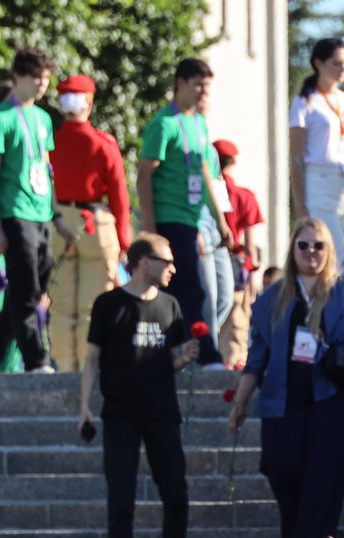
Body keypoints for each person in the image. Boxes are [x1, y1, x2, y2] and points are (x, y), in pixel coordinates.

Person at [229, 218, 344, 538]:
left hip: (335, 395)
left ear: (329, 250)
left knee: (324, 475)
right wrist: (240, 403)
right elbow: (257, 356)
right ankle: (296, 532)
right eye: (304, 245)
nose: (311, 251)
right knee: (279, 465)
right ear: (292, 250)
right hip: (284, 397)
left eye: (318, 245)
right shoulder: (273, 297)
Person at [78, 232, 201, 538]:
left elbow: (169, 361)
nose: (173, 268)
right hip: (120, 414)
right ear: (144, 262)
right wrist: (84, 405)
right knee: (121, 495)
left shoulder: (170, 305)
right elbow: (92, 359)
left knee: (176, 490)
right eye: (166, 261)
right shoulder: (108, 304)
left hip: (162, 412)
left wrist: (184, 357)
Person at [0, 47, 68, 375]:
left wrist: (56, 214)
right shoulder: (0, 119)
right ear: (18, 77)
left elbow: (46, 169)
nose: (42, 84)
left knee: (32, 287)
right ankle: (36, 360)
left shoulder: (43, 118)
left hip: (40, 212)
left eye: (45, 78)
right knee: (25, 290)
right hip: (15, 213)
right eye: (35, 77)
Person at [140, 59, 232, 369]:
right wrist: (151, 230)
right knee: (189, 288)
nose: (204, 92)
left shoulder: (198, 123)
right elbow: (144, 176)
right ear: (180, 83)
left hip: (194, 220)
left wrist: (220, 220)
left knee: (193, 290)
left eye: (207, 86)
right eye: (198, 85)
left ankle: (183, 352)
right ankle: (203, 354)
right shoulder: (164, 124)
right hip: (170, 218)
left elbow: (205, 172)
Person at [49, 74, 131, 373]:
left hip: (58, 223)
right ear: (90, 101)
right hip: (94, 224)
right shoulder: (103, 143)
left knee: (61, 305)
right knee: (93, 305)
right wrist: (124, 240)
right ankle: (89, 368)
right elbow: (119, 194)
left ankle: (65, 366)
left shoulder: (51, 141)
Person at [289, 38, 344, 256]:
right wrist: (301, 206)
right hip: (318, 183)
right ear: (318, 63)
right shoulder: (305, 101)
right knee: (331, 250)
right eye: (336, 63)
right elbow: (296, 157)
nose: (343, 69)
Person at [215, 141, 264, 368]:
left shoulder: (207, 193)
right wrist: (253, 277)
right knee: (236, 320)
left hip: (209, 258)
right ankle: (233, 363)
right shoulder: (244, 196)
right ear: (233, 162)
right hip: (236, 263)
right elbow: (250, 245)